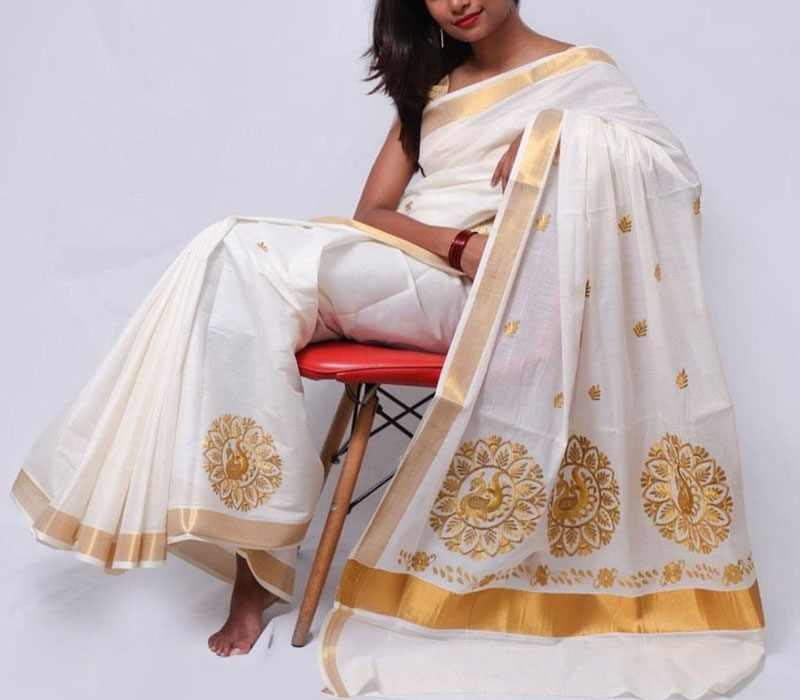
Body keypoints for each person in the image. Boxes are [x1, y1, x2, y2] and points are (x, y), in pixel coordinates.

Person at [11, 1, 767, 697]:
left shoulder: (583, 77)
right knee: (228, 261)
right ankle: (257, 556)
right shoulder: (432, 86)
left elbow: (673, 177)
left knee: (234, 250)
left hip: (491, 299)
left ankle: (255, 560)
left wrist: (561, 140)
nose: (457, 1)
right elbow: (373, 211)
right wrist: (457, 242)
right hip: (423, 264)